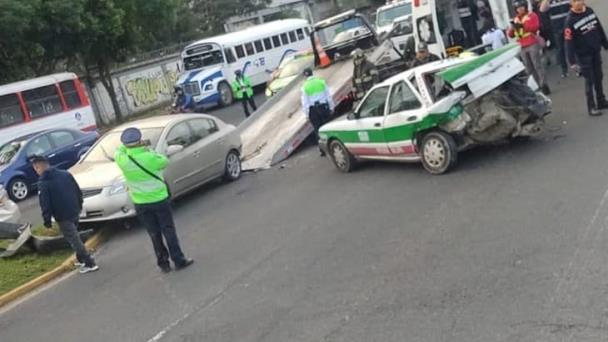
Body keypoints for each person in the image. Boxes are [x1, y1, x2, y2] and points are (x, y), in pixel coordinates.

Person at [114, 128, 193, 273]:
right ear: (139, 141)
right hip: (159, 200)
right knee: (168, 230)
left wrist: (127, 147)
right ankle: (178, 260)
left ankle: (163, 263)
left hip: (141, 203)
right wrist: (146, 149)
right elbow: (164, 160)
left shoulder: (123, 160)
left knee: (154, 234)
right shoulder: (150, 157)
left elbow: (117, 151)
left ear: (126, 144)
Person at [30, 155, 99, 274]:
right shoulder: (65, 174)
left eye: (35, 169)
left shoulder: (43, 183)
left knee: (74, 239)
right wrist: (79, 204)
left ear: (38, 168)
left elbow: (45, 204)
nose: (36, 172)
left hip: (62, 215)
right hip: (74, 209)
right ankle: (81, 259)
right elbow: (77, 190)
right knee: (74, 235)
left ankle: (89, 263)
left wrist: (47, 221)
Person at [564, 0, 608, 116]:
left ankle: (601, 101)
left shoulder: (589, 11)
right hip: (583, 55)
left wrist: (605, 43)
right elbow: (569, 42)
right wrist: (572, 61)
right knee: (590, 81)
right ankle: (591, 107)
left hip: (595, 50)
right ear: (571, 3)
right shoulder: (570, 20)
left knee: (599, 76)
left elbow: (598, 27)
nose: (579, 3)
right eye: (575, 1)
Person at [508, 0, 551, 95]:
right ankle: (538, 85)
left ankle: (544, 84)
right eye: (518, 8)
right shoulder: (516, 19)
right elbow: (510, 35)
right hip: (522, 46)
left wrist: (522, 26)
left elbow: (535, 27)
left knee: (537, 65)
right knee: (529, 68)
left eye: (521, 7)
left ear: (525, 6)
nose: (520, 9)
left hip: (532, 43)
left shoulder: (532, 15)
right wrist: (512, 27)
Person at [301, 68, 334, 156]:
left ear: (305, 76)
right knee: (327, 127)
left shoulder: (305, 87)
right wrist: (331, 107)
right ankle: (332, 147)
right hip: (324, 107)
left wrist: (307, 114)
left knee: (317, 130)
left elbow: (305, 103)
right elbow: (328, 96)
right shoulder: (321, 82)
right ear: (312, 73)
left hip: (313, 110)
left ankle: (322, 150)